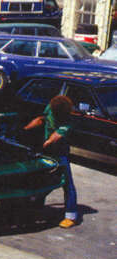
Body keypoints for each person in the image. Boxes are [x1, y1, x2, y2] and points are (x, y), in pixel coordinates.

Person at [24, 95, 78, 229]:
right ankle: (36, 209)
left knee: (67, 183)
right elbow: (41, 119)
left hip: (60, 154)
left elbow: (56, 137)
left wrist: (46, 143)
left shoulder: (68, 122)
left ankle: (71, 216)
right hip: (45, 153)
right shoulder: (51, 107)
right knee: (41, 180)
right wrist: (26, 129)